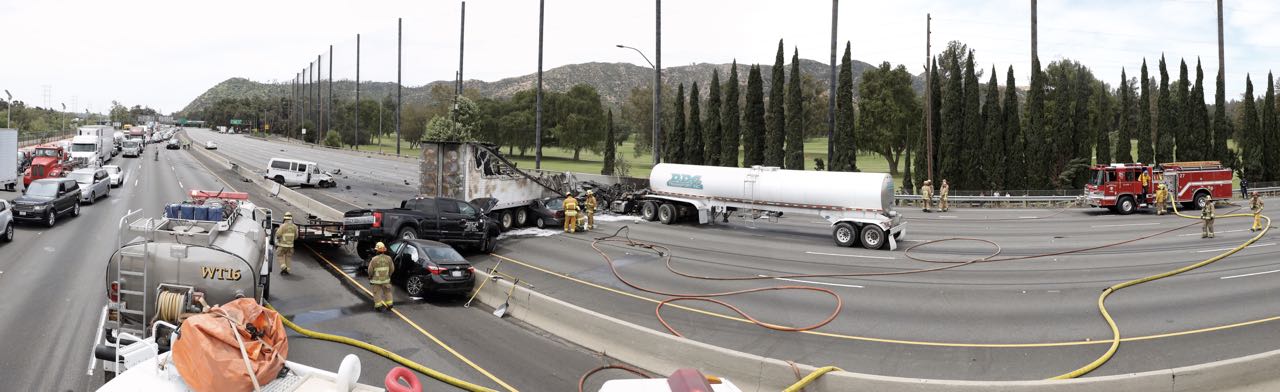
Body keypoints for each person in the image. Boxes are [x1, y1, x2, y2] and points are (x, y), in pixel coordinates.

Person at [368, 242, 395, 311]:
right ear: (384, 250)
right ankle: (390, 304)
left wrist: (370, 276)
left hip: (376, 280)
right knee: (387, 292)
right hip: (386, 280)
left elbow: (370, 270)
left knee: (377, 293)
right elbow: (392, 269)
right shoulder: (389, 258)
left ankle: (378, 306)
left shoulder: (374, 259)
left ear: (377, 250)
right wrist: (389, 275)